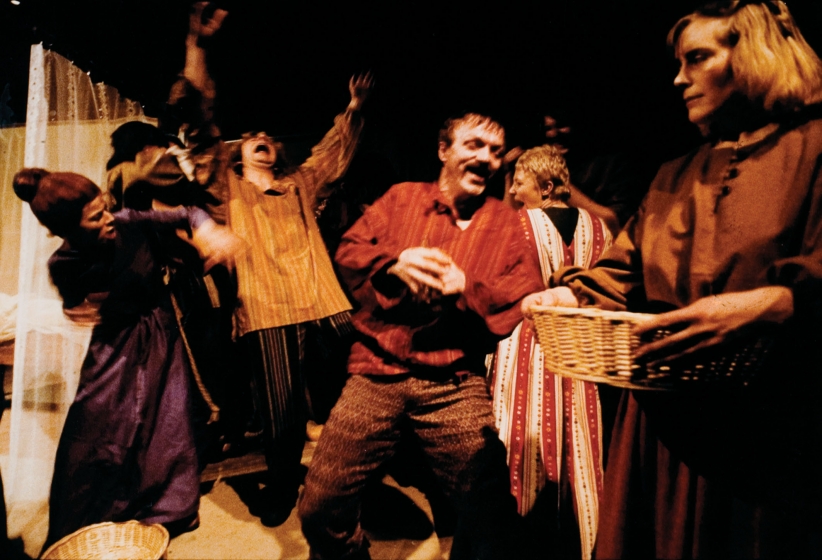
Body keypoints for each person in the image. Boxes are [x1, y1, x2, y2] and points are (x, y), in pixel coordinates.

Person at [523, 1, 822, 557]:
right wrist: (569, 293)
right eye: (678, 63)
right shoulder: (675, 173)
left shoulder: (812, 149)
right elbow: (623, 270)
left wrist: (777, 303)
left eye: (697, 58)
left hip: (768, 425)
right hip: (663, 426)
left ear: (755, 54)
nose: (679, 79)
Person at [298, 111, 545, 559]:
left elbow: (524, 292)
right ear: (443, 151)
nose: (487, 158)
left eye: (495, 151)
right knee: (320, 505)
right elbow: (349, 250)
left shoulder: (505, 223)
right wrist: (394, 263)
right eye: (474, 145)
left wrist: (466, 287)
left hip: (453, 381)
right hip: (376, 371)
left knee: (491, 515)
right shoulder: (402, 198)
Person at [12, 168, 242, 550]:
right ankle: (88, 515)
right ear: (66, 228)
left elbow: (189, 213)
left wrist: (209, 231)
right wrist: (77, 311)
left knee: (166, 420)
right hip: (114, 344)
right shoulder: (62, 263)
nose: (108, 218)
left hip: (160, 333)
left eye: (104, 207)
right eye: (95, 217)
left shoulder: (129, 221)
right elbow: (75, 304)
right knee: (96, 425)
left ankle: (168, 509)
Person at [225, 71, 374, 527]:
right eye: (251, 136)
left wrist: (353, 107)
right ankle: (283, 484)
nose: (262, 138)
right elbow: (199, 151)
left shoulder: (299, 183)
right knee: (281, 408)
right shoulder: (228, 189)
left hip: (321, 296)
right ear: (237, 153)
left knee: (373, 361)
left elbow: (331, 153)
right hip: (267, 303)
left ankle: (373, 459)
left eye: (268, 136)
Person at [490, 144, 612, 560]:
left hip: (528, 340)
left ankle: (520, 538)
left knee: (521, 439)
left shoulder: (517, 225)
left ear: (545, 187)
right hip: (580, 344)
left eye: (519, 183)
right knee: (580, 440)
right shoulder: (599, 228)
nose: (513, 191)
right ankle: (585, 539)